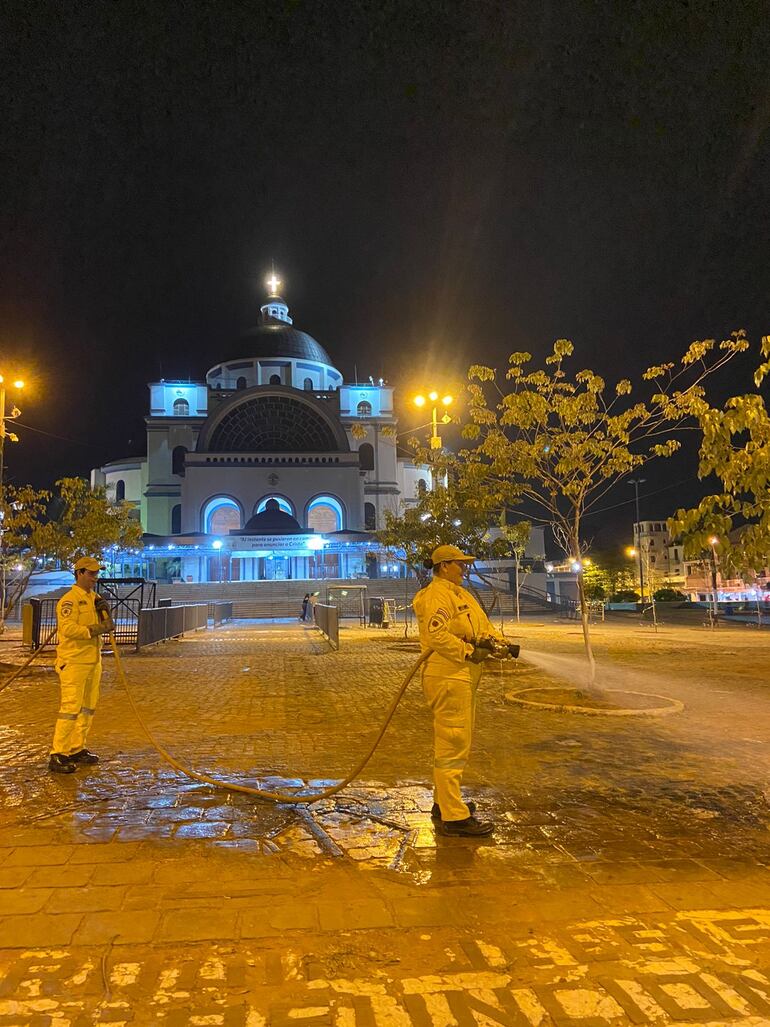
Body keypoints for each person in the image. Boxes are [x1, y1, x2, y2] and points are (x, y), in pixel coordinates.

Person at [413, 544, 509, 837]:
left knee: (452, 744)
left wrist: (496, 642)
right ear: (443, 566)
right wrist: (467, 651)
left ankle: (445, 803)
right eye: (459, 564)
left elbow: (482, 625)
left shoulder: (460, 594)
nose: (464, 569)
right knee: (453, 744)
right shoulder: (436, 595)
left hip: (461, 677)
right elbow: (436, 634)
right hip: (448, 675)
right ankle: (454, 818)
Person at [48, 556, 114, 774]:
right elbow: (67, 628)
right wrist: (95, 629)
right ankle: (58, 753)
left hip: (93, 661)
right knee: (70, 708)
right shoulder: (69, 600)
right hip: (74, 661)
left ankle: (77, 748)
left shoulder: (94, 598)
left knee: (88, 707)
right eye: (92, 573)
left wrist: (104, 614)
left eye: (97, 574)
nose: (95, 578)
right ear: (80, 573)